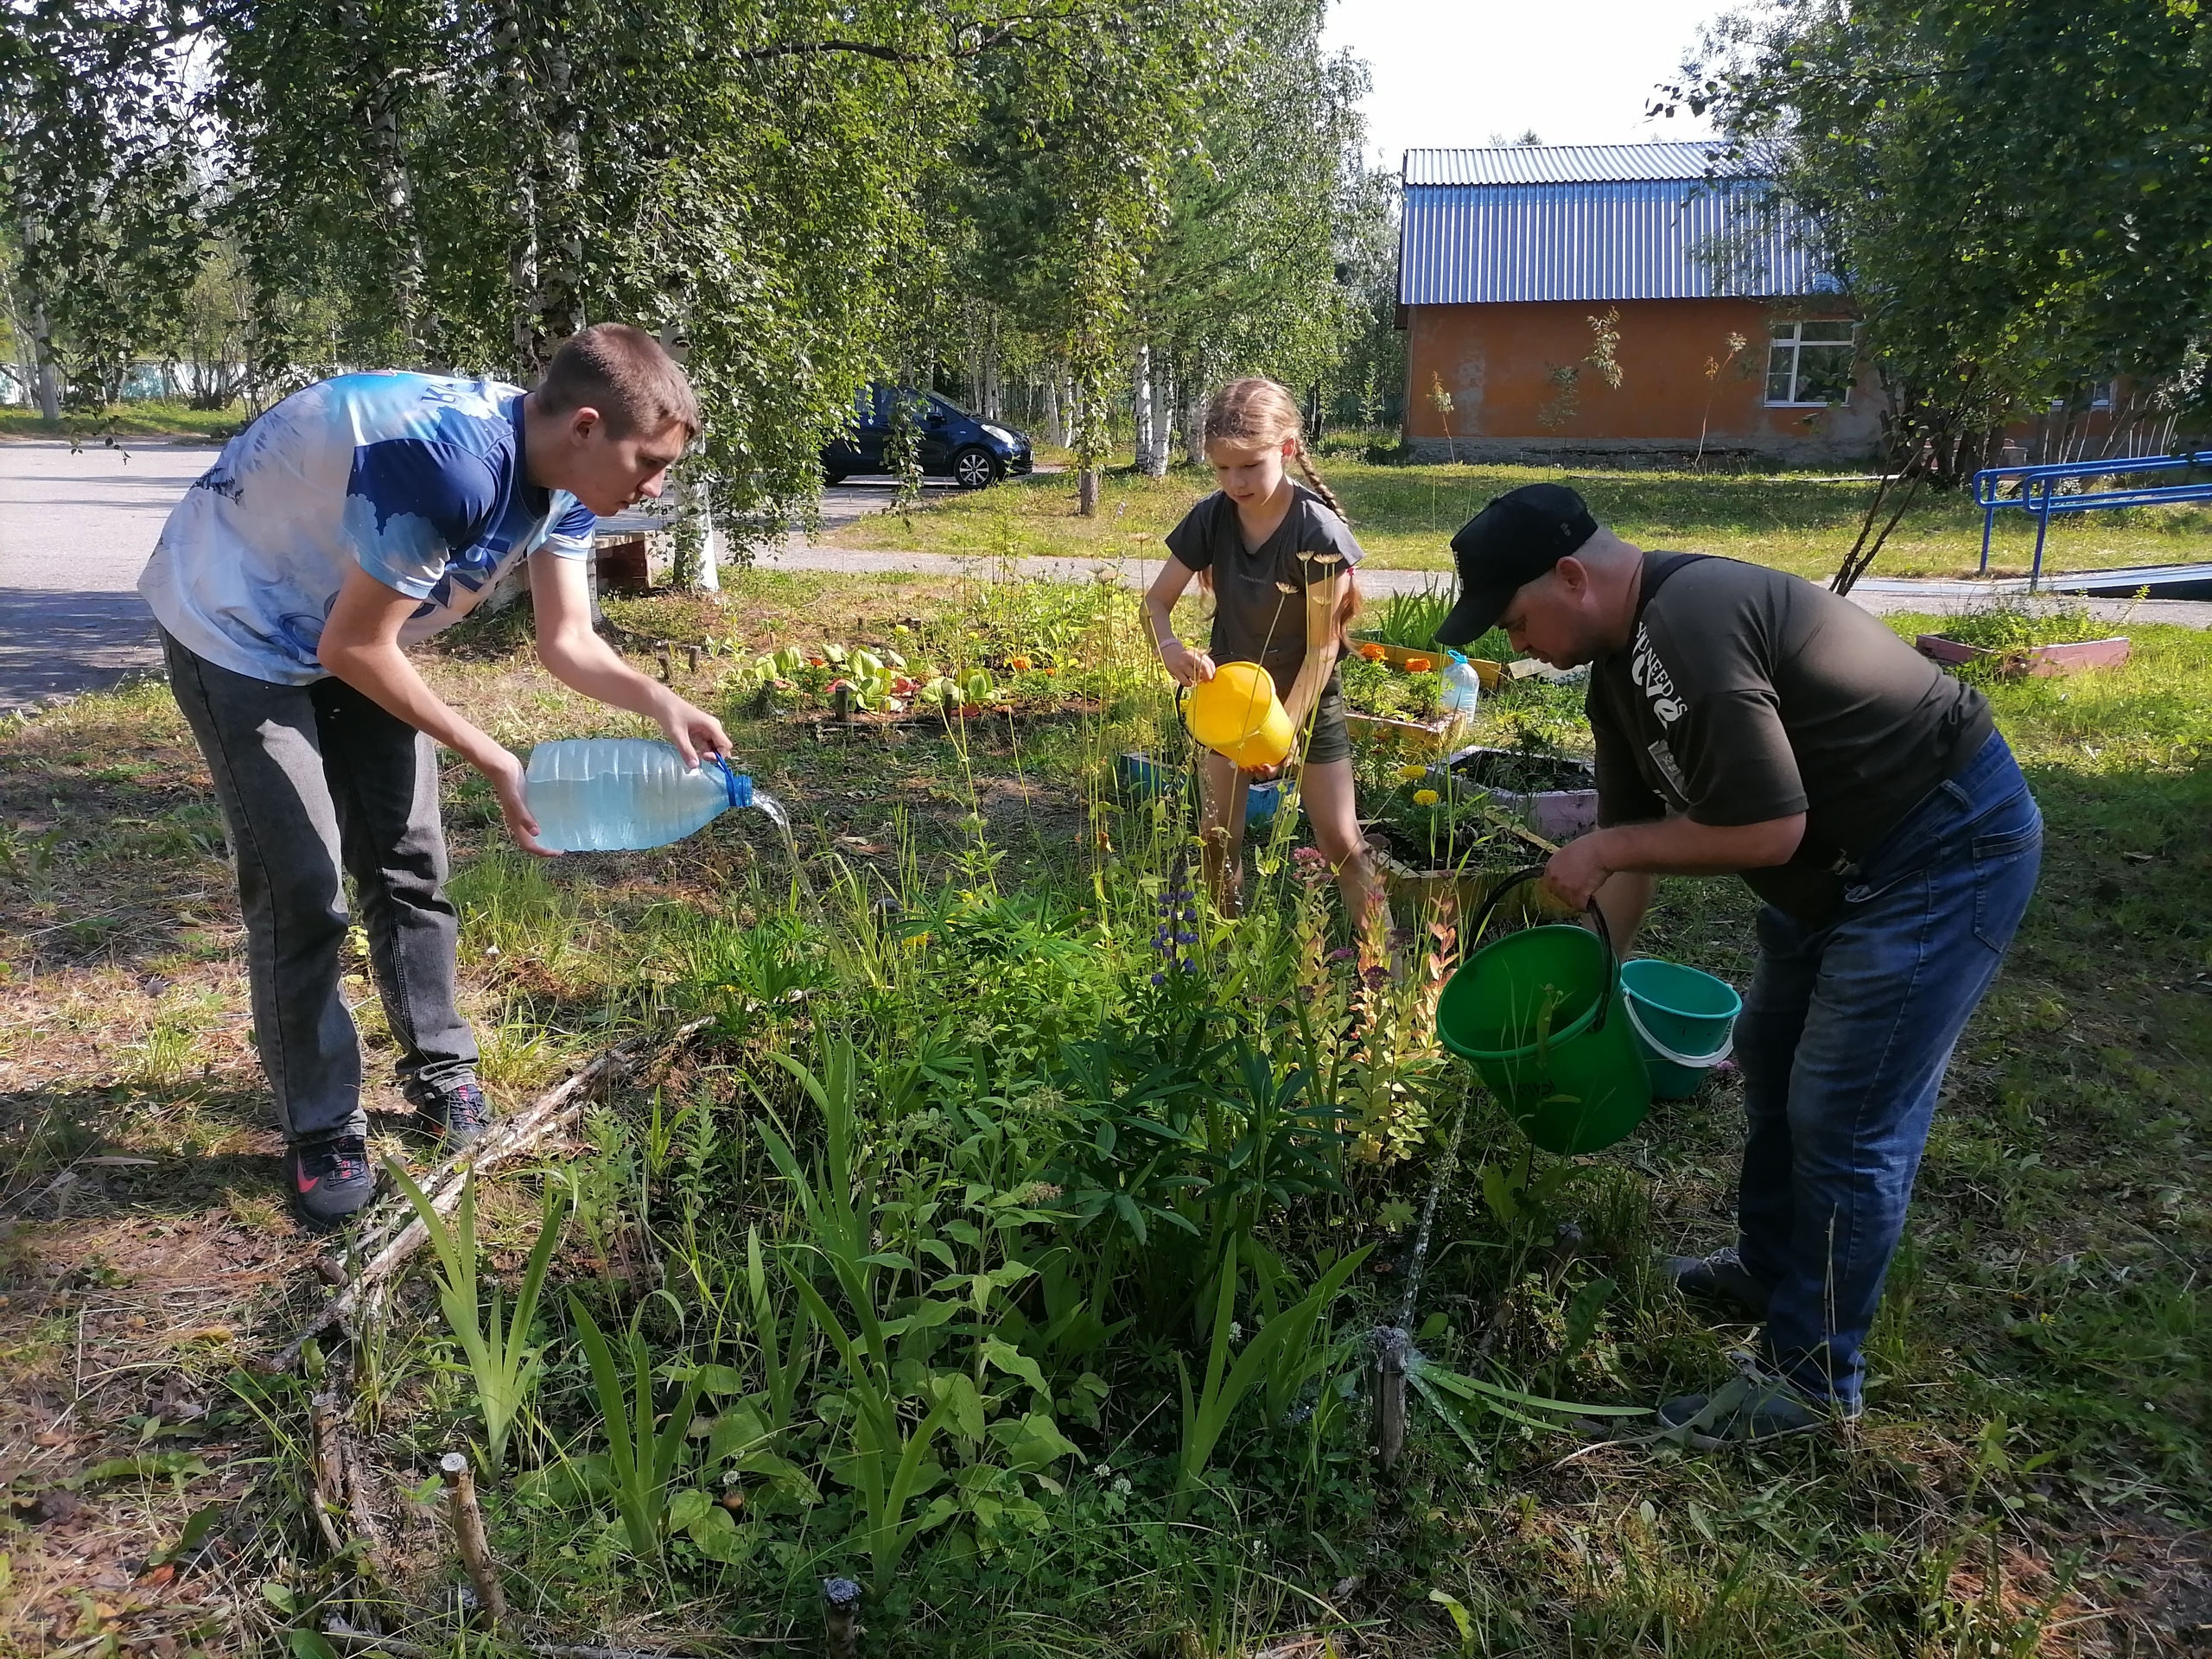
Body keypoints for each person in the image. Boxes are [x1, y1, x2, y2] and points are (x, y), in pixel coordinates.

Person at [1433, 483, 2042, 1440]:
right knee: (1770, 1056)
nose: (1516, 646)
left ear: (1570, 576)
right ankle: (1766, 1271)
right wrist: (1596, 982)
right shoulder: (1617, 675)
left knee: (1843, 1115)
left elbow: (1764, 828)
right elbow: (1631, 834)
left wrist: (1609, 852)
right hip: (1834, 874)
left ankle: (1808, 1384)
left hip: (1939, 849)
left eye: (1515, 620)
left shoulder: (1691, 625)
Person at [138, 324, 733, 1230]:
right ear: (584, 424)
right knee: (303, 887)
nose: (656, 487)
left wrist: (658, 701)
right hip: (241, 627)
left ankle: (441, 1069)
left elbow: (567, 642)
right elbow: (351, 645)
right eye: (649, 463)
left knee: (409, 859)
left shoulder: (567, 484)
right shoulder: (450, 467)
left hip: (353, 627)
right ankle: (323, 1125)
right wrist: (494, 756)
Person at [1140, 378, 1389, 943]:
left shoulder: (1316, 530)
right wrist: (1171, 647)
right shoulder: (1211, 517)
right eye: (1222, 469)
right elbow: (1155, 604)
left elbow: (1323, 648)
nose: (1234, 483)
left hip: (1305, 701)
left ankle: (1387, 966)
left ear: (1287, 449)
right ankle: (1220, 950)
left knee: (1341, 843)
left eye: (1248, 466)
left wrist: (1284, 735)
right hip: (1230, 699)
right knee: (1216, 835)